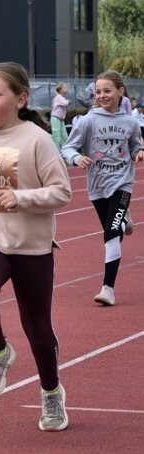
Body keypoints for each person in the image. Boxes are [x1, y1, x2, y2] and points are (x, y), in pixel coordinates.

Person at [0, 61, 72, 432]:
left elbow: (63, 192)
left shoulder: (37, 140)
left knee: (38, 329)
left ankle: (51, 393)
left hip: (31, 244)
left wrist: (21, 198)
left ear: (21, 99)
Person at [60, 70, 144, 306]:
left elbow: (137, 146)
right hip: (97, 185)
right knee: (113, 230)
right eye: (98, 92)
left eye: (107, 91)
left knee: (110, 233)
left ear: (120, 91)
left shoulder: (129, 122)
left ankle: (108, 288)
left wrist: (139, 152)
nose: (102, 95)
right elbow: (68, 148)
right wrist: (77, 159)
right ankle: (124, 219)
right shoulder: (88, 120)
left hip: (123, 183)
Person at [50, 82, 70, 150]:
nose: (67, 89)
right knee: (57, 136)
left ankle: (64, 150)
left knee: (64, 136)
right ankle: (57, 151)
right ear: (60, 90)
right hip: (55, 118)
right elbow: (64, 103)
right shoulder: (58, 97)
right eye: (65, 88)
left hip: (60, 119)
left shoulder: (62, 97)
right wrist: (68, 102)